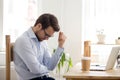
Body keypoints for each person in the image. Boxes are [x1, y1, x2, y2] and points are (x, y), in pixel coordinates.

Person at [13, 13, 66, 80]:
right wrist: (47, 69)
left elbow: (50, 65)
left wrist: (60, 45)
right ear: (39, 26)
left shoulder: (42, 41)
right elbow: (35, 69)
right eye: (46, 35)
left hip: (44, 78)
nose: (47, 39)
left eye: (49, 36)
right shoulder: (23, 41)